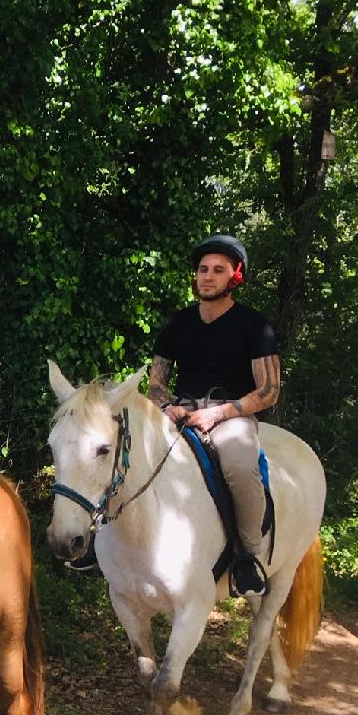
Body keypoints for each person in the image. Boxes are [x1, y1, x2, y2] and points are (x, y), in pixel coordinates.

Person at [147, 234, 280, 597]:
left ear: (234, 277)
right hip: (181, 411)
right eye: (203, 269)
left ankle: (247, 556)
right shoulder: (177, 323)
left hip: (232, 414)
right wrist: (165, 405)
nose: (207, 276)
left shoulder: (254, 325)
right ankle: (108, 543)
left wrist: (221, 413)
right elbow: (156, 383)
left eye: (218, 270)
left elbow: (268, 391)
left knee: (238, 463)